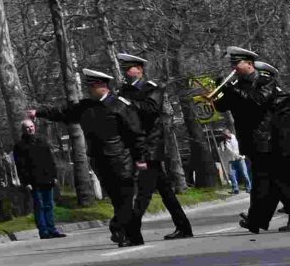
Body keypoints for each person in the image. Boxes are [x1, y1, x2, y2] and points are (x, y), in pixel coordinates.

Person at [36, 71, 146, 244]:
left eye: (92, 86)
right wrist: (39, 112)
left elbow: (135, 133)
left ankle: (120, 229)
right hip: (99, 160)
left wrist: (140, 158)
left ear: (102, 86)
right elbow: (62, 113)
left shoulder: (119, 105)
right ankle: (132, 236)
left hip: (121, 159)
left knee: (125, 198)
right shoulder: (85, 107)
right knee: (117, 199)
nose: (89, 90)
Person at [114, 52, 192, 240]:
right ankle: (183, 227)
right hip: (134, 146)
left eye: (128, 68)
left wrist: (128, 104)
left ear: (140, 69)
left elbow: (151, 109)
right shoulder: (124, 91)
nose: (125, 72)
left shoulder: (152, 88)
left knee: (143, 191)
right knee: (164, 191)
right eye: (123, 69)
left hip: (150, 146)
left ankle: (128, 230)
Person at [212, 50, 283, 231]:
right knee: (270, 181)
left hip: (267, 138)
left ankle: (255, 220)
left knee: (265, 180)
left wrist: (232, 90)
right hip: (249, 139)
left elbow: (258, 101)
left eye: (237, 63)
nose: (233, 67)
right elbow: (222, 107)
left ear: (249, 64)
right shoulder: (236, 84)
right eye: (232, 64)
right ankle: (257, 220)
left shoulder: (265, 81)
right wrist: (218, 92)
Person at [11, 113, 64, 238]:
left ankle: (52, 229)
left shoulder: (42, 141)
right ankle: (44, 231)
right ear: (23, 130)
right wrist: (25, 182)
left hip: (47, 178)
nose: (30, 129)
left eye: (31, 127)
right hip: (33, 180)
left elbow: (50, 160)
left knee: (49, 204)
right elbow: (20, 165)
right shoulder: (20, 146)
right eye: (27, 127)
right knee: (39, 205)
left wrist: (54, 175)